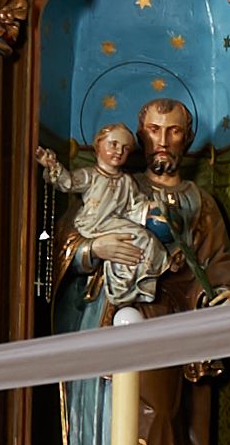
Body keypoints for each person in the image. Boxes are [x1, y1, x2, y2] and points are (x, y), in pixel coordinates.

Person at [56, 95, 230, 445]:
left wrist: (220, 293)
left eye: (174, 131)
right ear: (140, 136)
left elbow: (217, 265)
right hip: (109, 322)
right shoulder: (118, 183)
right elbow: (67, 242)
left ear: (187, 138)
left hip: (168, 329)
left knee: (160, 421)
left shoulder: (200, 202)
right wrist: (93, 249)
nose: (163, 141)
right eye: (154, 130)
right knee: (105, 426)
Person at [37, 120, 181, 311]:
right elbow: (68, 182)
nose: (119, 151)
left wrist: (152, 207)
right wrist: (53, 165)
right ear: (98, 145)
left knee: (144, 238)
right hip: (93, 223)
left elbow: (134, 206)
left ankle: (149, 274)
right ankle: (120, 290)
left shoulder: (126, 181)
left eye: (125, 148)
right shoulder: (90, 175)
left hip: (116, 223)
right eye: (113, 144)